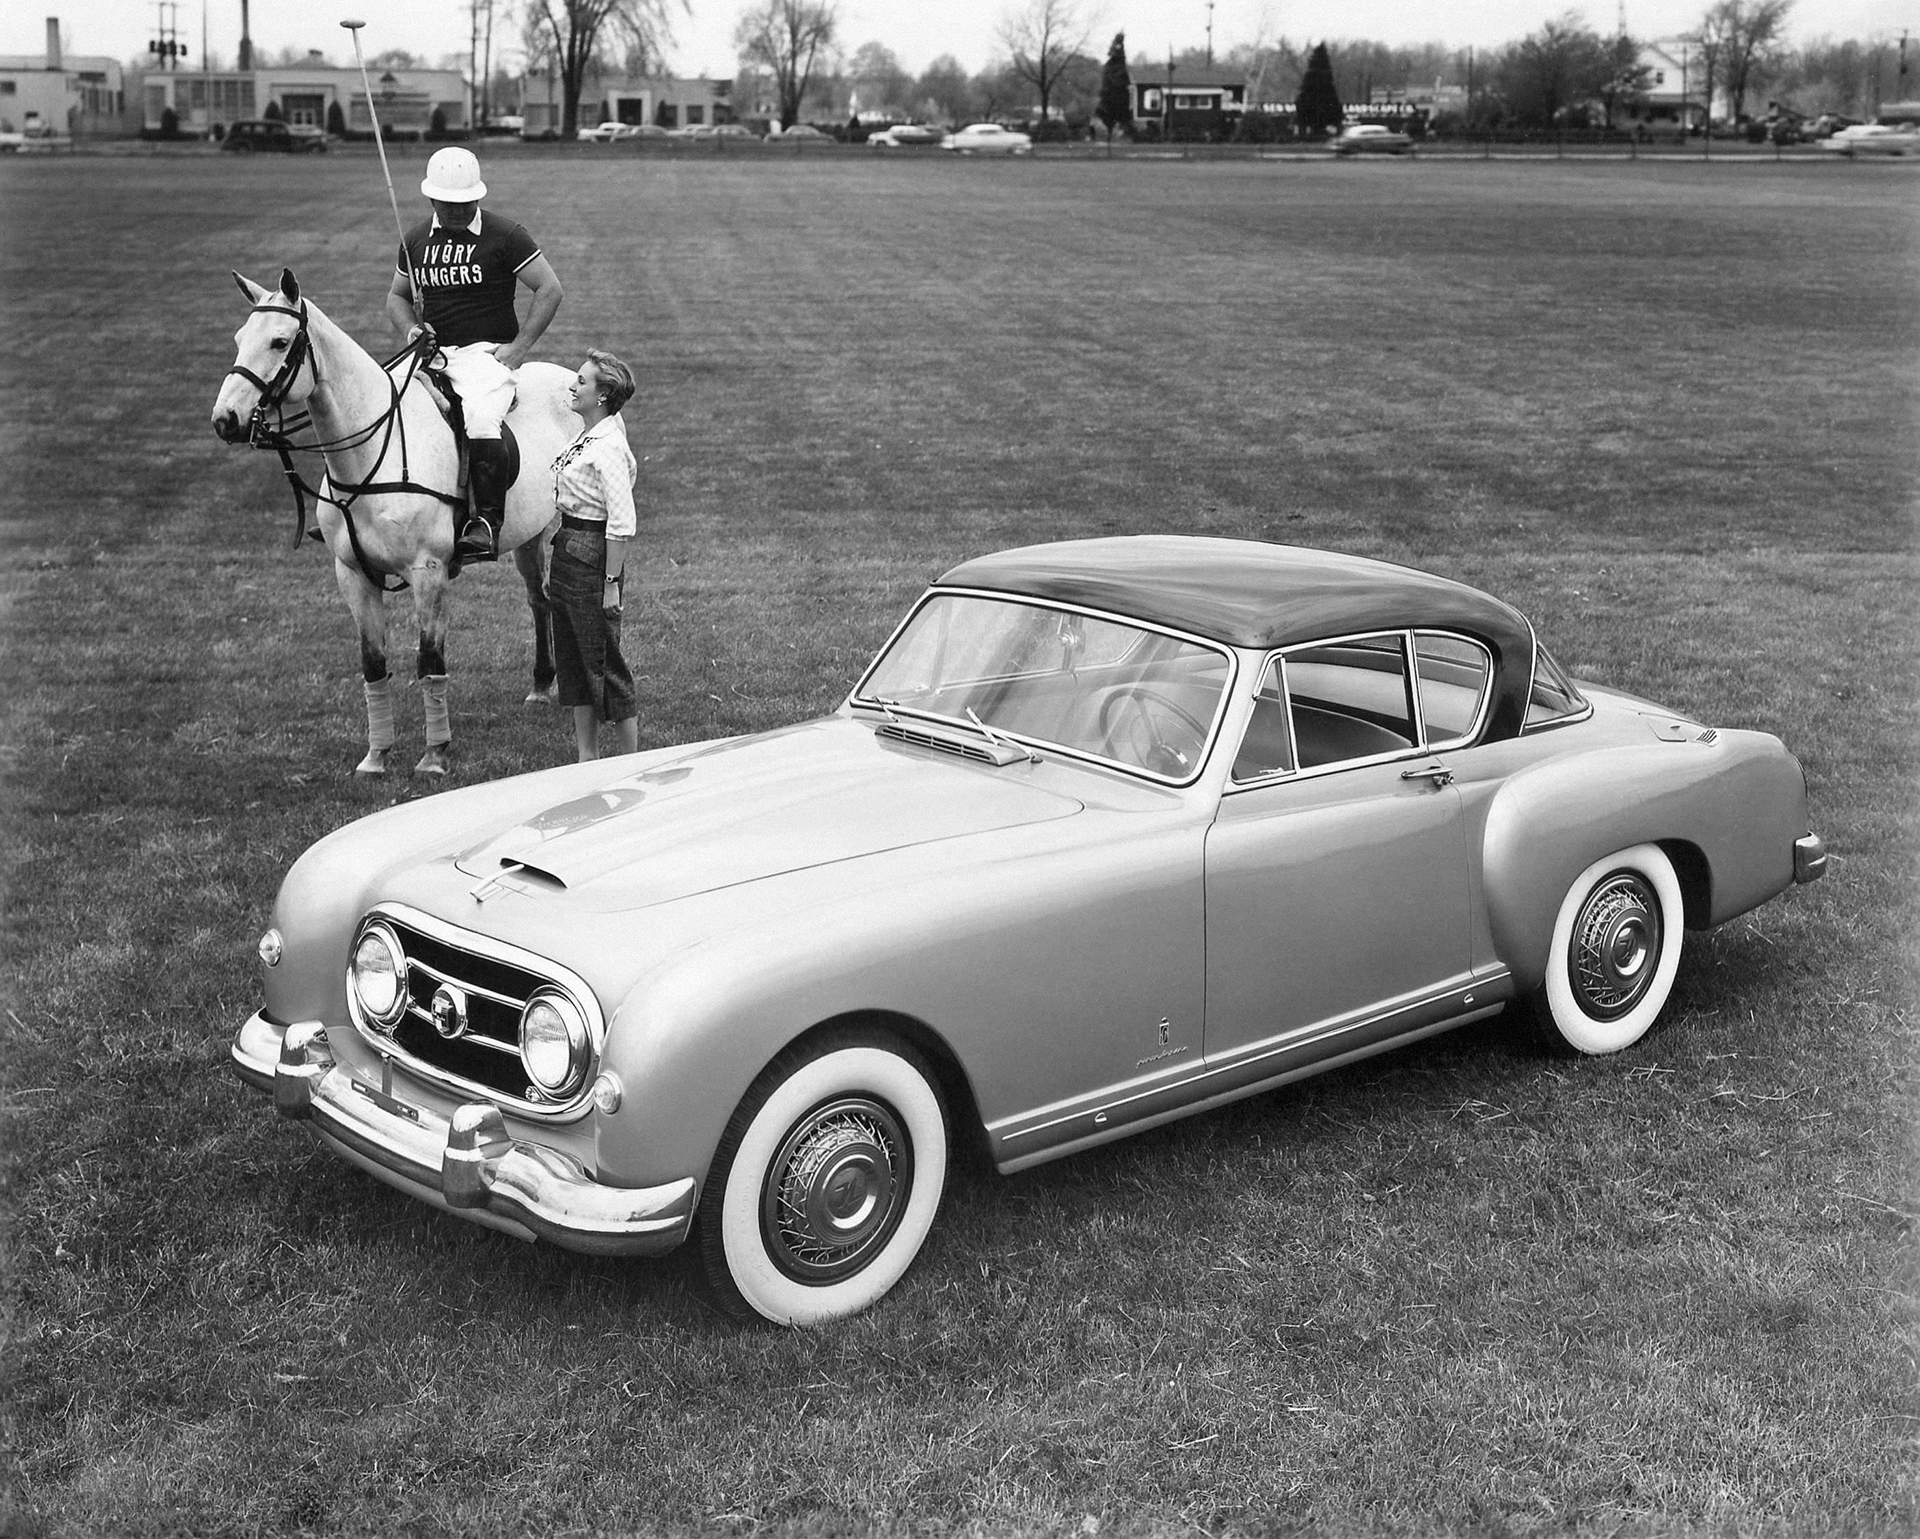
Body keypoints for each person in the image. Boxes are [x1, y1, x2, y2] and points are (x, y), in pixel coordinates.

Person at [386, 146, 563, 562]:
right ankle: (354, 511)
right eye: (448, 205)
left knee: (482, 420)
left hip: (484, 355)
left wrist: (518, 350)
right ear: (431, 199)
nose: (457, 211)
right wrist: (413, 330)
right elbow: (396, 297)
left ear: (478, 197)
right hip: (430, 357)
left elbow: (549, 288)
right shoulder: (413, 240)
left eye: (465, 203)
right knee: (373, 405)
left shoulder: (505, 236)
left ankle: (485, 522)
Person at [548, 350, 640, 761]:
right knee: (572, 661)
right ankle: (587, 760)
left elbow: (621, 522)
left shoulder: (607, 446)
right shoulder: (586, 437)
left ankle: (629, 763)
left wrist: (610, 586)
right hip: (568, 549)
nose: (572, 386)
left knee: (605, 664)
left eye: (581, 382)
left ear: (602, 395)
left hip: (592, 559)